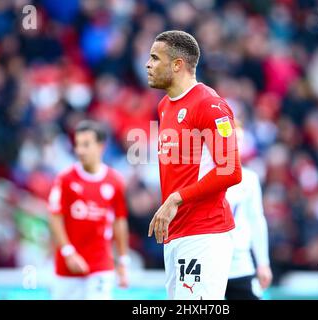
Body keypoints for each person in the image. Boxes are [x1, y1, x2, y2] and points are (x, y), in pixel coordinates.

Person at [146, 30, 242, 300]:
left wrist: (176, 198)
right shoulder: (165, 106)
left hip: (204, 233)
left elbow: (231, 171)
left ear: (177, 65)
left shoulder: (209, 105)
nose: (148, 64)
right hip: (176, 233)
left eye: (155, 58)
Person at [48, 120, 130, 300]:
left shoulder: (114, 181)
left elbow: (119, 221)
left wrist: (123, 261)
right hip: (67, 267)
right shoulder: (65, 180)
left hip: (100, 265)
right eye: (77, 145)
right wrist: (68, 253)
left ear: (101, 146)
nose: (80, 150)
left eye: (86, 145)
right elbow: (54, 217)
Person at [225, 125, 273, 300]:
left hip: (239, 262)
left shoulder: (249, 179)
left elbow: (256, 220)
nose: (234, 145)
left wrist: (263, 263)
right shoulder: (202, 175)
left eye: (238, 140)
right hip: (209, 260)